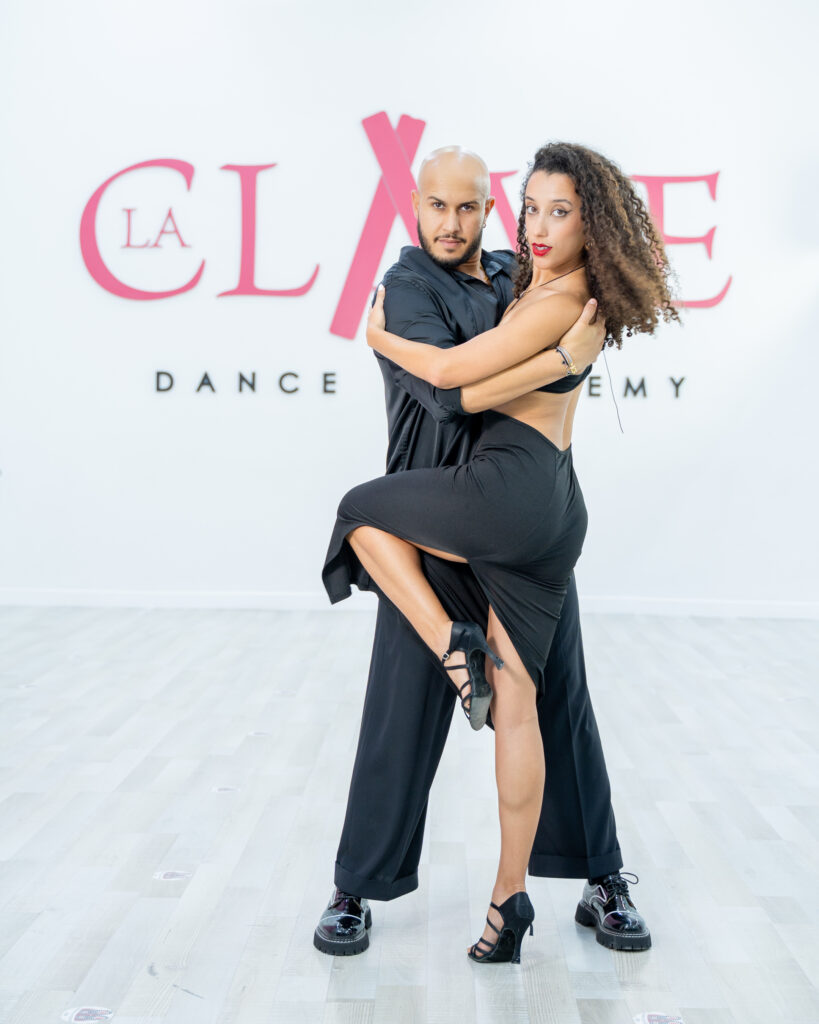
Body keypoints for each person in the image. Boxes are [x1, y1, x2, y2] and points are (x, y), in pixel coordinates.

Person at [314, 145, 665, 960]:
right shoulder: (408, 286)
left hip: (518, 509)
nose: (450, 222)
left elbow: (571, 307)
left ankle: (599, 876)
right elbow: (445, 395)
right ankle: (355, 887)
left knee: (559, 704)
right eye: (435, 206)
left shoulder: (521, 270)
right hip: (434, 519)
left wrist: (567, 355)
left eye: (466, 206)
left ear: (487, 209)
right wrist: (562, 360)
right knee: (400, 708)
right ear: (414, 206)